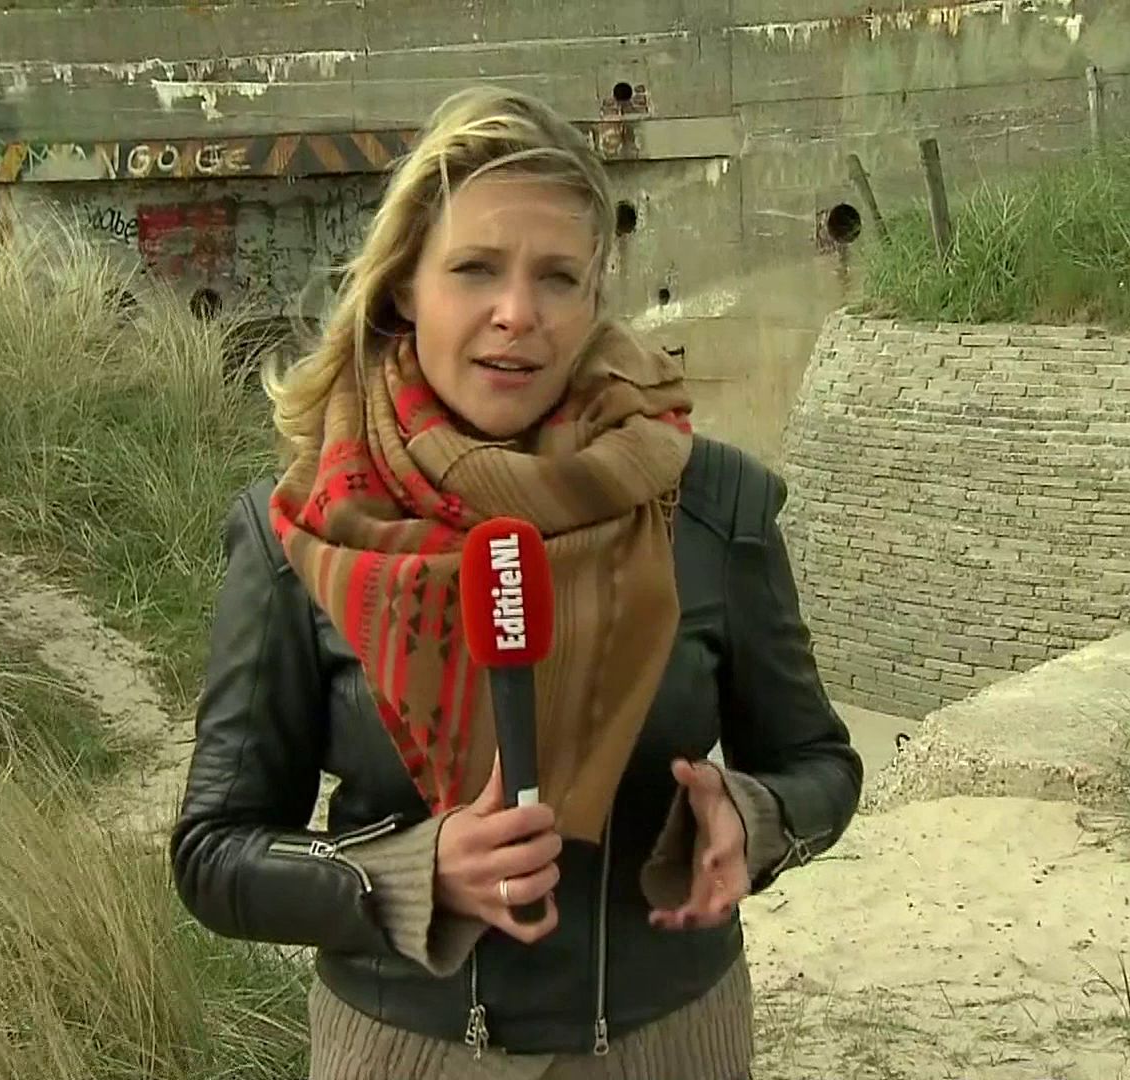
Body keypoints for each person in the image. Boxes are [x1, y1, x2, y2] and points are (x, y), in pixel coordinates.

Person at [169, 84, 862, 1080]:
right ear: (404, 286)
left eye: (557, 278)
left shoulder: (712, 505)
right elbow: (215, 854)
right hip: (405, 1056)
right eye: (475, 269)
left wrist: (755, 818)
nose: (517, 315)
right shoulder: (303, 531)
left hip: (672, 1047)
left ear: (594, 298)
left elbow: (819, 765)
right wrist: (410, 874)